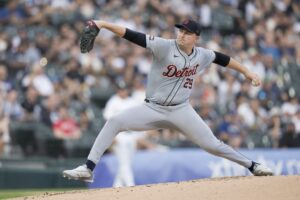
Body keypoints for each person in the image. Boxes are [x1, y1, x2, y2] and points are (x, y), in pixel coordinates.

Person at [63, 18, 273, 183]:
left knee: (212, 145)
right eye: (180, 30)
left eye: (187, 32)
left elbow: (224, 59)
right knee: (115, 121)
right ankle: (88, 168)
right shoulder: (164, 46)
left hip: (181, 110)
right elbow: (131, 35)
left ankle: (252, 165)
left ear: (196, 37)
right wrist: (103, 24)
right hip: (152, 108)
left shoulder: (202, 55)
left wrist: (247, 72)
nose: (181, 34)